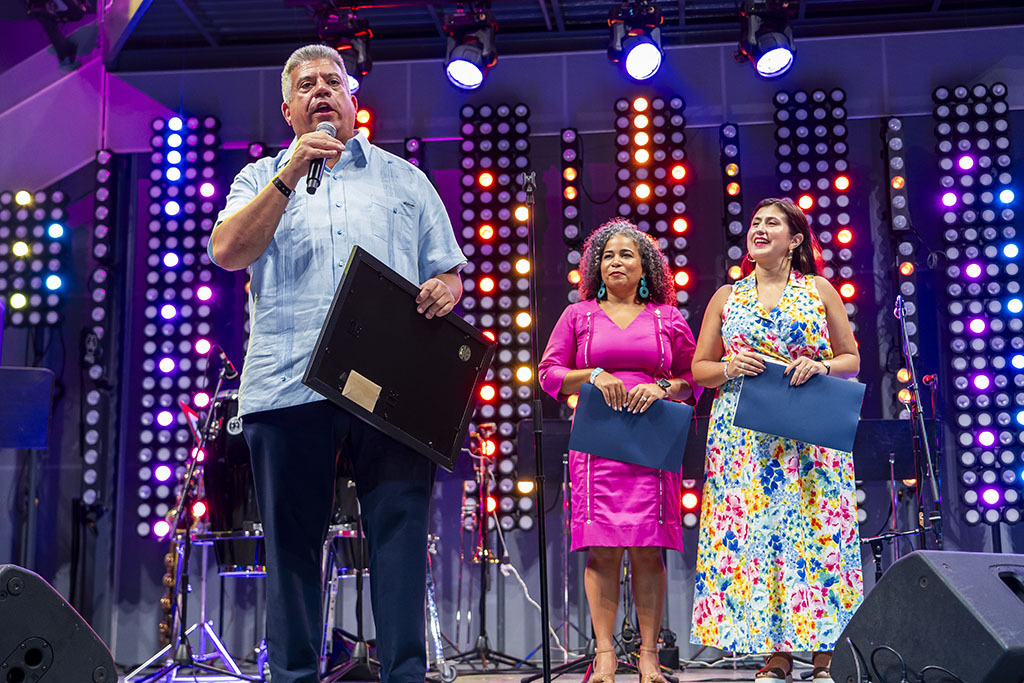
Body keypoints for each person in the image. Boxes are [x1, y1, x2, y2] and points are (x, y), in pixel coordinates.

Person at [208, 44, 466, 683]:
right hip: (287, 384)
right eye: (306, 85)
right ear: (288, 109)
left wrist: (444, 290)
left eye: (333, 81)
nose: (321, 91)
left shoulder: (404, 179)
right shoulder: (259, 178)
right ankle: (294, 675)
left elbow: (448, 272)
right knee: (291, 549)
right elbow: (228, 252)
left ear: (352, 99)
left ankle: (405, 674)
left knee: (400, 543)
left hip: (389, 390)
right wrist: (289, 174)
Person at [688, 198, 863, 682]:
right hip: (744, 440)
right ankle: (776, 655)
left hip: (810, 437)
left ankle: (826, 655)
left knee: (819, 537)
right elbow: (699, 369)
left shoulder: (818, 289)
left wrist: (821, 365)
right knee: (758, 539)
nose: (759, 229)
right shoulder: (727, 296)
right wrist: (728, 367)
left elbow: (851, 358)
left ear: (795, 239)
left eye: (772, 223)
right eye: (755, 223)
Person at [538, 218, 701, 683]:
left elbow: (695, 378)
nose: (616, 262)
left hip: (652, 444)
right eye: (607, 255)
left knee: (649, 550)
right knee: (602, 550)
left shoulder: (667, 318)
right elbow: (549, 373)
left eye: (626, 254)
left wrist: (663, 387)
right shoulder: (578, 316)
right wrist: (592, 375)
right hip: (598, 447)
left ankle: (649, 656)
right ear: (596, 266)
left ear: (645, 267)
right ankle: (605, 654)